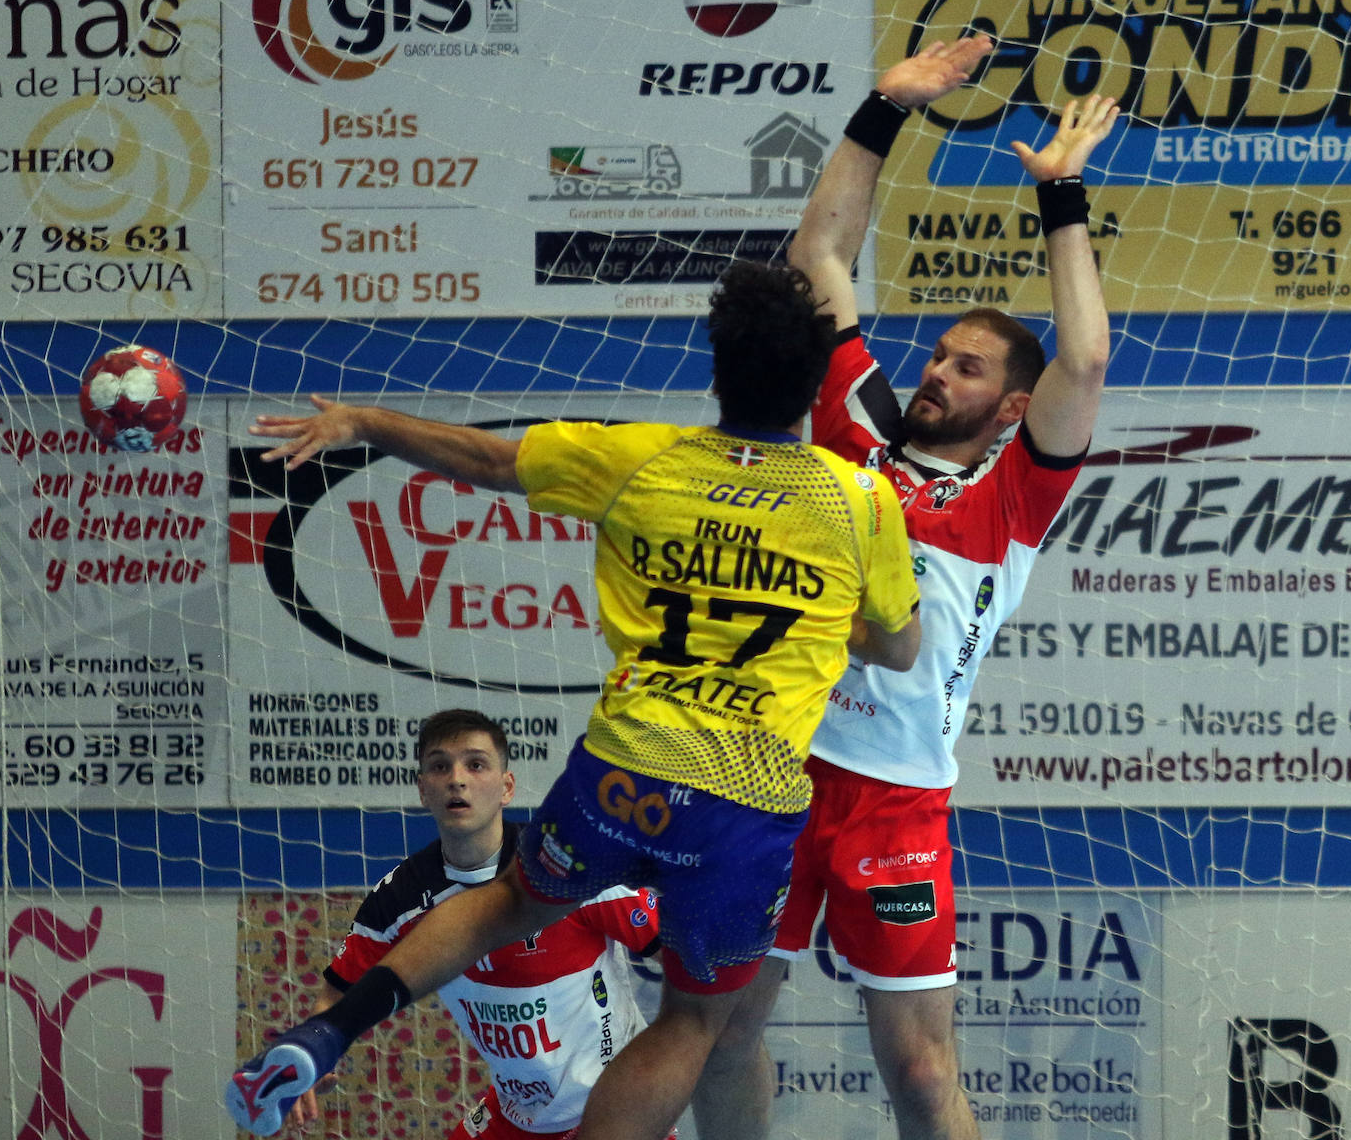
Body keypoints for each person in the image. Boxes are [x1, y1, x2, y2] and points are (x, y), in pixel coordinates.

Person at [226, 259, 922, 1140]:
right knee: (696, 1022)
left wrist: (359, 418)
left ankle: (331, 1030)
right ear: (819, 386)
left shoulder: (644, 457)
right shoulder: (858, 498)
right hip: (745, 799)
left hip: (624, 767)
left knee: (518, 897)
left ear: (715, 373)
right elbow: (900, 648)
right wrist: (825, 619)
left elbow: (485, 456)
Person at [690, 40, 1121, 1140]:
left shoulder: (1015, 496)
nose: (936, 372)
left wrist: (1060, 195)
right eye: (937, 354)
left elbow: (1086, 358)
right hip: (772, 764)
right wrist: (884, 105)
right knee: (726, 1031)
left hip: (898, 799)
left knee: (924, 1075)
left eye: (968, 367)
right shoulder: (858, 428)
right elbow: (819, 254)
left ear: (1011, 407)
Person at [281, 708, 665, 1140]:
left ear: (507, 787)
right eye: (440, 766)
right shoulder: (398, 900)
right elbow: (335, 996)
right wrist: (313, 1056)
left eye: (476, 764)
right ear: (423, 789)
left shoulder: (569, 868)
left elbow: (682, 957)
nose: (457, 779)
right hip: (518, 1115)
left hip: (617, 1110)